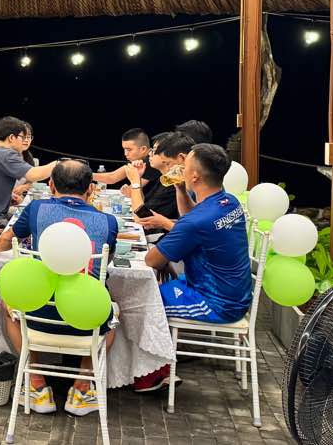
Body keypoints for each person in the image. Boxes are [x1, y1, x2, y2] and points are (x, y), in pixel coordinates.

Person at [0, 159, 117, 416]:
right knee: (112, 316)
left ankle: (35, 384)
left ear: (51, 184)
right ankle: (82, 386)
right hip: (85, 319)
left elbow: (6, 239)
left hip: (36, 315)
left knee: (8, 304)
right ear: (91, 189)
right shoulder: (108, 221)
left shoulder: (36, 208)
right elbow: (104, 265)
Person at [140, 144, 251, 392]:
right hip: (235, 295)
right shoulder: (227, 202)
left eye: (185, 165)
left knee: (142, 299)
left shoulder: (198, 221)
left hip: (215, 303)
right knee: (158, 285)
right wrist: (180, 188)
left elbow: (152, 260)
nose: (180, 167)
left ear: (195, 176)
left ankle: (152, 374)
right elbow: (194, 218)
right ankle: (154, 362)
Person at [0, 117, 56, 219]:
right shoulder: (7, 154)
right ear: (12, 138)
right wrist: (60, 163)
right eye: (23, 137)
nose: (25, 140)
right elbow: (34, 175)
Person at [126, 132, 194, 234]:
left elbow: (142, 217)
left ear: (181, 158)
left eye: (155, 150)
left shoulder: (182, 182)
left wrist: (135, 182)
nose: (150, 153)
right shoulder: (172, 180)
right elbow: (187, 222)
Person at [91, 128, 157, 192]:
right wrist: (87, 175)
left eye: (129, 150)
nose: (125, 154)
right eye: (124, 149)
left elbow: (131, 191)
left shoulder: (152, 162)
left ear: (143, 149)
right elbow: (113, 177)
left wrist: (127, 190)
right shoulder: (139, 159)